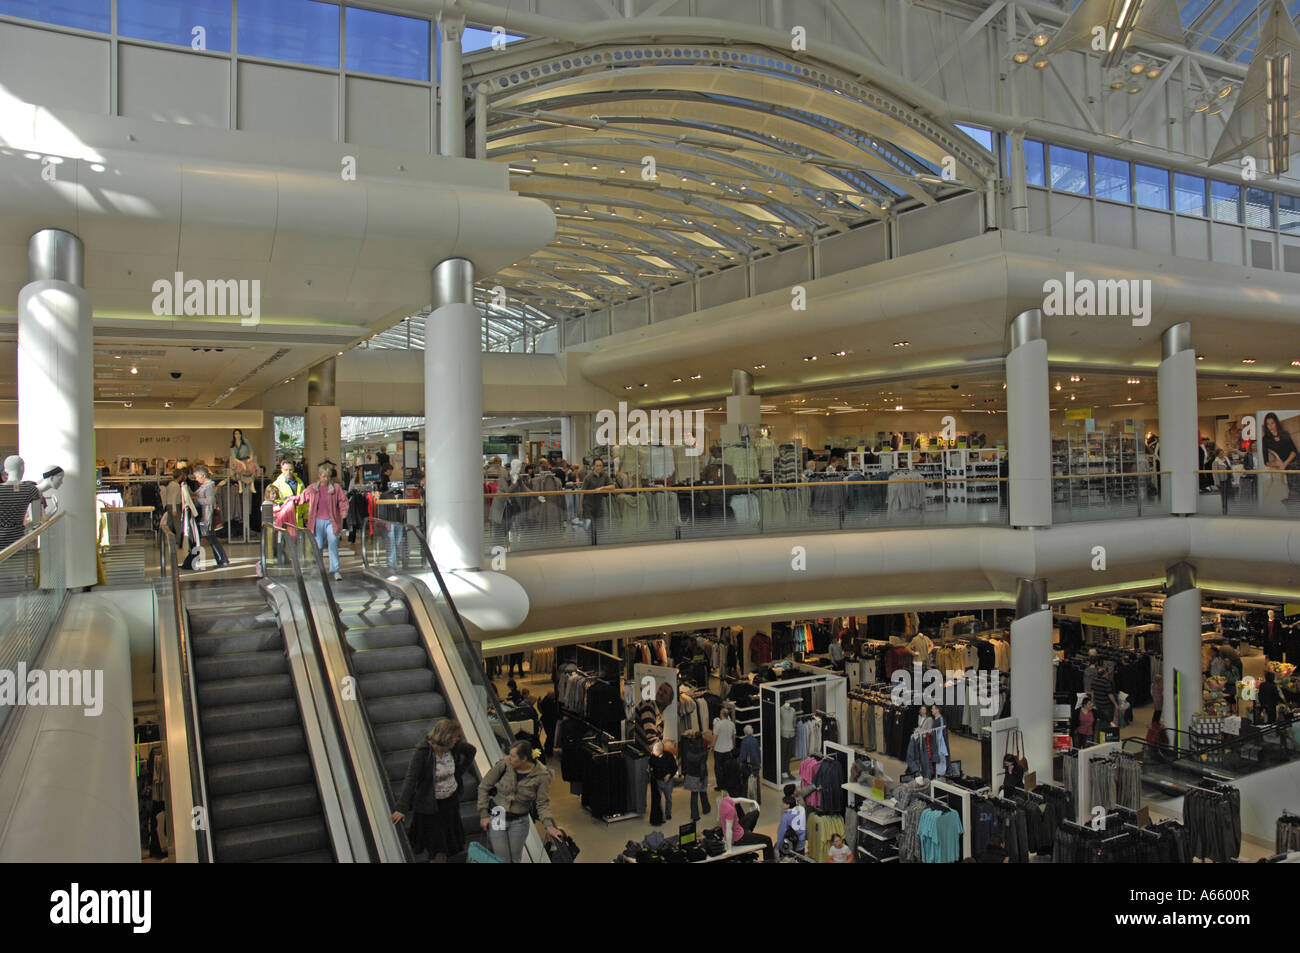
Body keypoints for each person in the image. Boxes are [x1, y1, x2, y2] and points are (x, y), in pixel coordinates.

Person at [391, 719, 476, 862]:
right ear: (447, 738)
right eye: (456, 736)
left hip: (450, 804)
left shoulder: (454, 747)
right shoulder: (423, 752)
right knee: (437, 846)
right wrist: (401, 808)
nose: (458, 739)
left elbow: (472, 751)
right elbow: (411, 778)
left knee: (446, 846)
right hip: (430, 807)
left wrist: (458, 772)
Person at [477, 740, 563, 862]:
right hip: (498, 815)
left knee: (515, 858)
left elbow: (542, 803)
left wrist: (549, 826)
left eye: (513, 756)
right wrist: (484, 814)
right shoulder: (504, 764)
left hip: (519, 821)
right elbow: (484, 786)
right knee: (502, 858)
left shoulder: (542, 775)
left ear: (524, 759)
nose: (509, 758)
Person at [296, 463, 349, 581]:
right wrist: (288, 502)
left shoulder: (335, 488)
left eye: (328, 476)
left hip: (331, 521)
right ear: (319, 476)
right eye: (324, 476)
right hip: (317, 522)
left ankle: (335, 570)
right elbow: (301, 498)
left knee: (333, 543)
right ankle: (319, 568)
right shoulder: (312, 488)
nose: (326, 479)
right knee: (318, 545)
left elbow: (343, 501)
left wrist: (343, 511)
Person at [189, 466, 229, 569]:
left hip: (208, 515)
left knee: (211, 538)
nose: (196, 479)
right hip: (205, 515)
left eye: (197, 477)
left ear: (203, 476)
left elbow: (210, 501)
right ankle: (222, 559)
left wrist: (198, 500)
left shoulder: (209, 486)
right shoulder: (204, 486)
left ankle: (222, 559)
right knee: (210, 538)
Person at [718, 789, 773, 860]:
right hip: (738, 838)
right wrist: (729, 850)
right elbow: (728, 830)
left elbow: (739, 799)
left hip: (738, 829)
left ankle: (749, 834)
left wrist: (753, 801)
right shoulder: (730, 810)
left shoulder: (725, 800)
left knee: (755, 813)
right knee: (768, 840)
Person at [1262, 412, 1300, 501]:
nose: (1270, 426)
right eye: (1268, 424)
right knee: (1293, 473)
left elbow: (1294, 451)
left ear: (1276, 423)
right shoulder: (1266, 439)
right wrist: (1277, 462)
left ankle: (1292, 498)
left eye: (1272, 423)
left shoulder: (1284, 434)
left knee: (1294, 470)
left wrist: (1284, 464)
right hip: (1290, 465)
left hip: (1295, 459)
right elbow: (1266, 462)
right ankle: (1293, 498)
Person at [679, 729, 710, 821]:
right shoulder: (703, 755)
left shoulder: (688, 754)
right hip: (700, 776)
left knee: (694, 796)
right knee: (703, 792)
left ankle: (694, 815)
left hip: (691, 775)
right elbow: (703, 768)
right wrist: (701, 779)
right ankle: (706, 809)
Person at [647, 740, 677, 826]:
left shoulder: (669, 756)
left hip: (668, 782)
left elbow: (674, 768)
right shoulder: (652, 757)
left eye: (654, 751)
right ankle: (662, 817)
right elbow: (650, 767)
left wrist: (669, 775)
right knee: (658, 799)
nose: (653, 752)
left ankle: (668, 813)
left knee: (668, 798)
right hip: (658, 781)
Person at [710, 705, 737, 792]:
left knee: (718, 768)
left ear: (721, 714)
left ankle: (720, 785)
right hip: (728, 749)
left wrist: (712, 746)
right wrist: (733, 745)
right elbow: (734, 736)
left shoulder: (718, 725)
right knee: (727, 768)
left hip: (718, 750)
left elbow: (715, 737)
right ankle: (727, 784)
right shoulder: (732, 724)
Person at [1091, 660, 1120, 735]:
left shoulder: (1094, 681)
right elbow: (1110, 694)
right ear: (1104, 674)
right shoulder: (1106, 682)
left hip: (1098, 704)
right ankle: (1107, 735)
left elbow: (1092, 692)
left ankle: (1100, 734)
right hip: (1106, 705)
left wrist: (1092, 701)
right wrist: (1115, 704)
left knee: (1100, 720)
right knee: (1108, 721)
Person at [580, 457, 613, 521]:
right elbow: (582, 492)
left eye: (600, 466)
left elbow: (612, 486)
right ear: (593, 466)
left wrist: (602, 488)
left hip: (599, 506)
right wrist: (581, 507)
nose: (599, 467)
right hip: (588, 506)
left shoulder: (604, 475)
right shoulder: (588, 477)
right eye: (597, 466)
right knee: (590, 527)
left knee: (600, 526)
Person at [538, 690, 559, 761]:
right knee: (551, 735)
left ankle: (548, 749)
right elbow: (552, 712)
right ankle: (548, 750)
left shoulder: (545, 700)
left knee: (550, 735)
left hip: (546, 720)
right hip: (549, 721)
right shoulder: (549, 703)